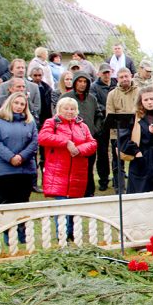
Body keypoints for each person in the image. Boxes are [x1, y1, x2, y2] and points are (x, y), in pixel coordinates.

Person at [39, 96, 97, 240]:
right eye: (66, 108)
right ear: (59, 109)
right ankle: (62, 234)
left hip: (77, 172)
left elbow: (92, 143)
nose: (69, 111)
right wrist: (66, 142)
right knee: (61, 206)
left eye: (72, 109)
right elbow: (43, 137)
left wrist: (80, 149)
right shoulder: (52, 123)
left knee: (74, 206)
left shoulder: (82, 126)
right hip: (58, 171)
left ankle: (72, 234)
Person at [0, 92, 39, 238]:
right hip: (4, 170)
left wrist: (21, 156)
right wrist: (11, 157)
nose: (19, 106)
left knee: (22, 204)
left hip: (25, 170)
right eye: (16, 103)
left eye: (22, 104)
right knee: (4, 205)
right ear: (10, 103)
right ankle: (6, 237)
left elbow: (34, 142)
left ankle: (22, 237)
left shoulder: (30, 122)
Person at [60, 72, 105, 197]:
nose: (82, 84)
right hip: (71, 141)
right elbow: (58, 117)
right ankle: (72, 194)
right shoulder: (66, 98)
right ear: (74, 82)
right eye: (79, 81)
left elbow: (99, 115)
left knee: (89, 168)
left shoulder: (92, 99)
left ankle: (89, 193)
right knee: (73, 169)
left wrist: (95, 129)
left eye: (85, 82)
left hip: (88, 140)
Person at [119, 85, 153, 193]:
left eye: (152, 99)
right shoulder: (133, 117)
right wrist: (136, 152)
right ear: (141, 102)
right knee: (139, 198)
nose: (149, 102)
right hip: (140, 163)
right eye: (146, 100)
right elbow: (122, 139)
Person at [91, 64, 116, 190]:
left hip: (116, 122)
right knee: (102, 152)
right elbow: (96, 104)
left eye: (108, 72)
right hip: (102, 123)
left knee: (117, 150)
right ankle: (103, 179)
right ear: (99, 74)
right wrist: (109, 110)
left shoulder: (116, 84)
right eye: (104, 73)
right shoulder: (94, 87)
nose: (106, 75)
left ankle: (117, 178)